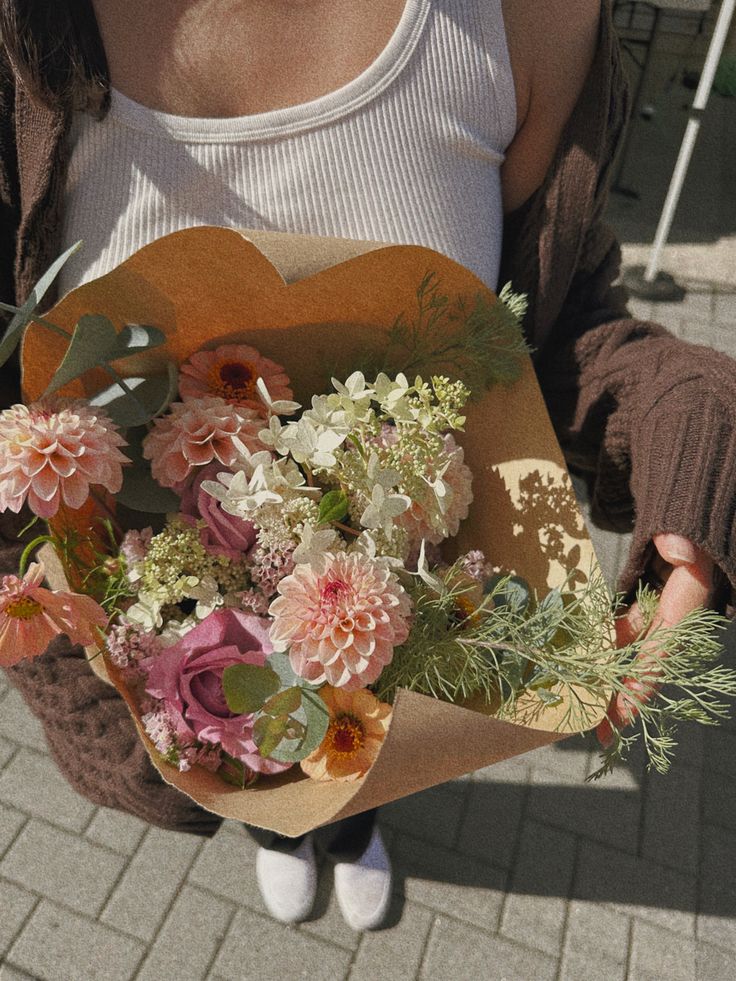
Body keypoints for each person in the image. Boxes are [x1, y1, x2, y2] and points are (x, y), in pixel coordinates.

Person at [0, 0, 734, 932]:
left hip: (398, 597)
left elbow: (551, 318)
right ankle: (279, 835)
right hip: (159, 640)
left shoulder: (529, 20)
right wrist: (102, 683)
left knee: (363, 722)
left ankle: (351, 831)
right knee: (246, 728)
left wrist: (687, 414)